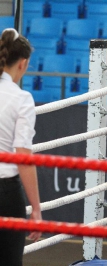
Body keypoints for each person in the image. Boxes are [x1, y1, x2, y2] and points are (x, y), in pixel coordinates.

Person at [0, 28, 42, 266]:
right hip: (5, 193)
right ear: (23, 63)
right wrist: (36, 208)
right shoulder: (21, 99)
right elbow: (23, 157)